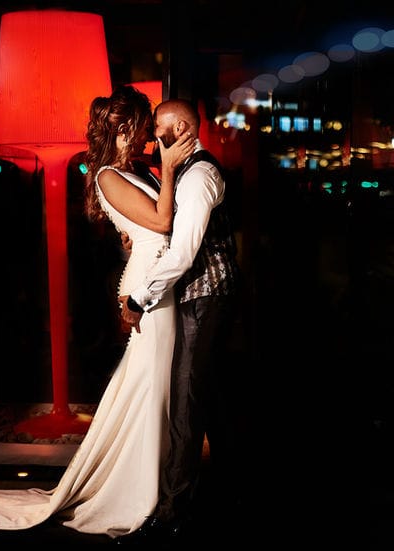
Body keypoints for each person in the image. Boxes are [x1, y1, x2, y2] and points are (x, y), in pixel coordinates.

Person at [0, 85, 195, 538]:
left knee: (154, 384)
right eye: (142, 129)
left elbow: (156, 220)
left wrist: (165, 178)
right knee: (152, 382)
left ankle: (158, 479)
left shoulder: (136, 170)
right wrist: (174, 169)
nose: (147, 139)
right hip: (148, 288)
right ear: (122, 129)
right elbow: (160, 223)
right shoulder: (106, 177)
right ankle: (139, 488)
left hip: (159, 280)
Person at [118, 98, 242, 541]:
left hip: (206, 297)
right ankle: (227, 496)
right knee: (208, 398)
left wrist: (139, 295)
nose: (154, 137)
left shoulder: (201, 176)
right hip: (201, 297)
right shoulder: (187, 173)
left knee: (187, 404)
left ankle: (172, 513)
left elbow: (185, 252)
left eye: (159, 129)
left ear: (182, 129)